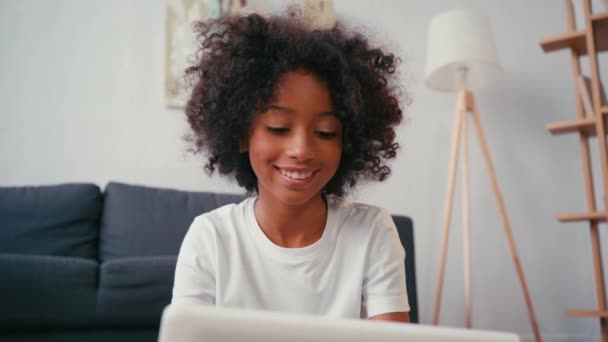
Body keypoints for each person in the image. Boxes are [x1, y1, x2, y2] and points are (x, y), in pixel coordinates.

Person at [172, 9, 410, 323]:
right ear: (242, 135)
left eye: (325, 132)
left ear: (347, 142)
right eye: (279, 128)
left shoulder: (372, 232)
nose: (301, 150)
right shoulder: (210, 238)